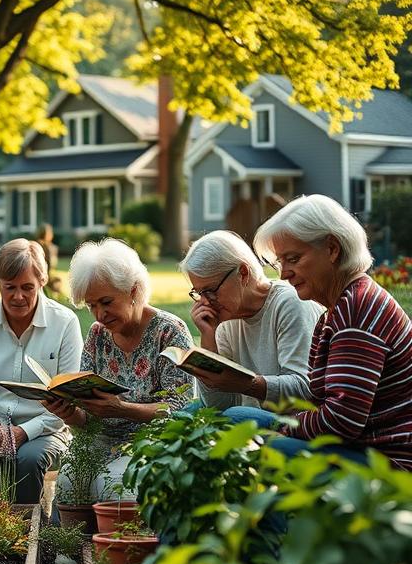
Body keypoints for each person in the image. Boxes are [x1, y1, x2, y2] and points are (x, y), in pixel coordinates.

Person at [228, 194, 412, 470]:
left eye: (293, 259)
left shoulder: (356, 311)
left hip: (387, 461)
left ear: (332, 248)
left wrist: (287, 430)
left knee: (269, 447)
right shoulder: (341, 306)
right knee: (236, 417)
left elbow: (342, 420)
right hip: (355, 444)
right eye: (280, 263)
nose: (284, 275)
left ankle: (257, 513)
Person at [48, 238, 193, 496]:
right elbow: (87, 418)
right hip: (100, 439)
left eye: (106, 302)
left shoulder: (170, 332)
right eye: (92, 305)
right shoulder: (97, 335)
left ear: (134, 291)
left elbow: (179, 410)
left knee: (114, 485)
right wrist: (67, 413)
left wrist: (123, 409)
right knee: (69, 482)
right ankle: (75, 538)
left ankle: (120, 537)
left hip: (152, 440)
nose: (99, 315)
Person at [0, 239, 83, 504]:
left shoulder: (65, 323)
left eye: (27, 287)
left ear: (42, 281)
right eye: (9, 287)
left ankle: (28, 536)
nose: (18, 296)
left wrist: (24, 432)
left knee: (28, 462)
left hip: (43, 429)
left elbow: (70, 398)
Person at [180, 230, 321, 410]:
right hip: (249, 419)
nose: (205, 302)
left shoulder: (290, 304)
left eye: (210, 290)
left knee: (237, 415)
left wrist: (247, 384)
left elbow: (304, 388)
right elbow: (218, 407)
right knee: (187, 411)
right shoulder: (224, 320)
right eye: (199, 293)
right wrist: (208, 341)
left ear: (243, 273)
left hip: (295, 423)